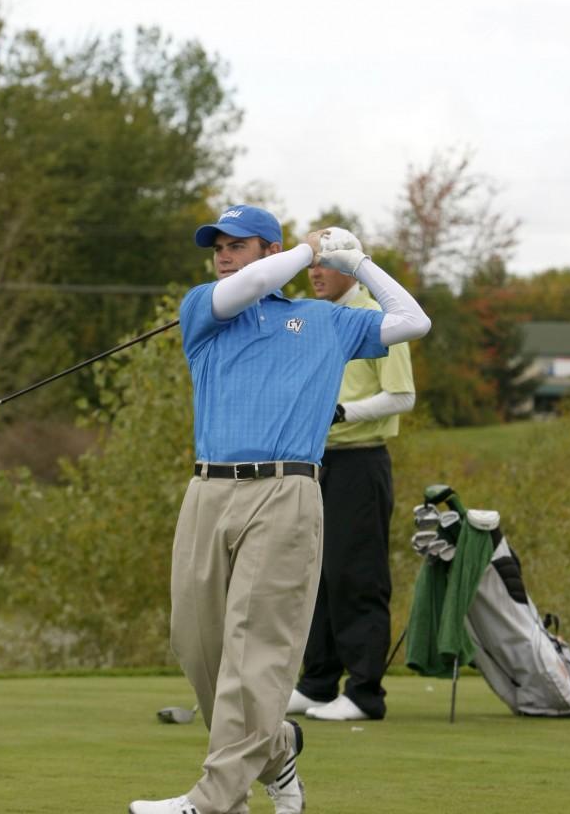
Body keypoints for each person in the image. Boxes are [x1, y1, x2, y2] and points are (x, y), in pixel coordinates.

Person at [129, 206, 431, 814]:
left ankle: (216, 798)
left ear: (263, 250)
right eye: (217, 244)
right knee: (195, 643)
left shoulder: (324, 321)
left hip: (285, 493)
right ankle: (276, 745)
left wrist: (359, 263)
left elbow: (412, 321)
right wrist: (304, 251)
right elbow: (246, 287)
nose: (221, 254)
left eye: (236, 244)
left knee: (256, 648)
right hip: (207, 491)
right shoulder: (204, 309)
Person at [287, 239, 415, 722]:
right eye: (312, 262)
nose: (316, 271)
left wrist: (340, 413)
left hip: (362, 462)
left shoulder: (379, 317)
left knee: (355, 574)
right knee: (313, 573)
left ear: (351, 267)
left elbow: (401, 396)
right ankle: (318, 682)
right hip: (316, 463)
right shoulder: (313, 317)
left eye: (327, 262)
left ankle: (365, 692)